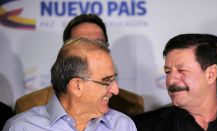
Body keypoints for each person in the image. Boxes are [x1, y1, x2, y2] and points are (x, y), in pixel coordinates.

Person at [0, 37, 153, 131]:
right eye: (107, 81)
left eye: (114, 79)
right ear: (77, 86)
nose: (115, 90)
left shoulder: (123, 127)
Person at [14, 14, 144, 116]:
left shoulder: (131, 105)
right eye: (82, 43)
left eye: (100, 44)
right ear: (65, 53)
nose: (92, 51)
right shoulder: (28, 106)